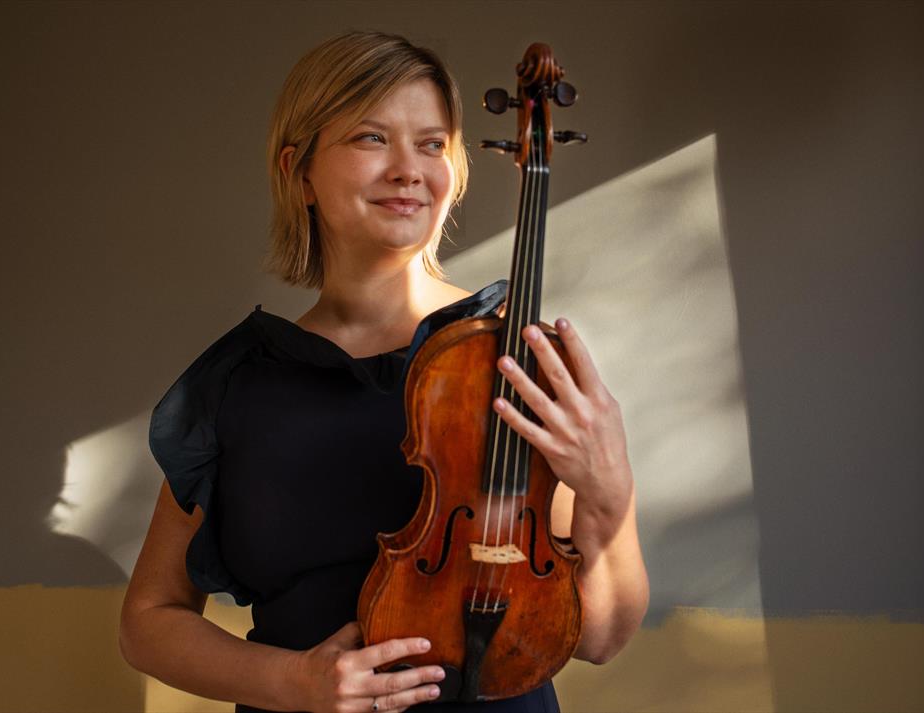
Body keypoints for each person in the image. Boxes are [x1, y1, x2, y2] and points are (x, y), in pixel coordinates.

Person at [119, 31, 649, 713]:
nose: (408, 169)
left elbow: (600, 636)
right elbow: (149, 618)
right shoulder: (236, 383)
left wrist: (611, 491)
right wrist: (295, 682)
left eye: (431, 144)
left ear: (454, 169)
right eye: (372, 138)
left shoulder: (509, 357)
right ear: (299, 171)